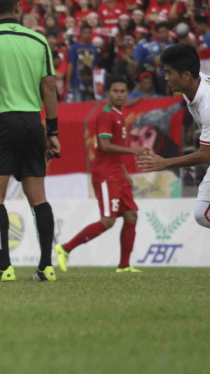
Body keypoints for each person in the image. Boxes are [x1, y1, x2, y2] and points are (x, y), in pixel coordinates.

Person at [0, 0, 60, 282]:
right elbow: (49, 86)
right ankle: (46, 267)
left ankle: (3, 267)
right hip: (33, 123)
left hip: (0, 123)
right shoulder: (38, 39)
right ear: (18, 9)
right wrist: (53, 132)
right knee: (39, 198)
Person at [56, 76, 149, 273]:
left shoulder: (119, 114)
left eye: (123, 91)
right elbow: (105, 146)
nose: (119, 95)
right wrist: (133, 152)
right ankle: (64, 249)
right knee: (108, 220)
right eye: (115, 91)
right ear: (107, 93)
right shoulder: (105, 115)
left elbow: (114, 148)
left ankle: (124, 266)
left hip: (117, 173)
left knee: (131, 216)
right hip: (106, 174)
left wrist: (125, 173)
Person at [138, 44, 210, 229]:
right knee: (202, 214)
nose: (166, 77)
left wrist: (166, 163)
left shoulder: (207, 104)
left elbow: (206, 154)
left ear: (185, 75)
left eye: (169, 72)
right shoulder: (193, 85)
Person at [67, 23, 100, 103]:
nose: (87, 35)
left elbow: (95, 66)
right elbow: (70, 65)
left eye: (89, 32)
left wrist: (97, 83)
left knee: (87, 107)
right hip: (77, 82)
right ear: (80, 33)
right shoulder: (74, 48)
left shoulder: (93, 48)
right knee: (77, 107)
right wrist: (68, 82)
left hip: (90, 84)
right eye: (85, 32)